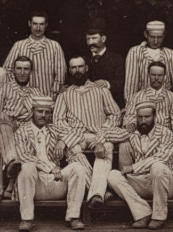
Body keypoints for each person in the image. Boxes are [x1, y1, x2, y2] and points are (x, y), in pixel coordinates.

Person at [52, 55, 126, 211]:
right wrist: (68, 138)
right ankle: (100, 193)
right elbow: (58, 121)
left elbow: (115, 114)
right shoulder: (64, 94)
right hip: (75, 135)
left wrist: (101, 137)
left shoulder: (101, 90)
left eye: (80, 67)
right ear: (69, 70)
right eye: (73, 68)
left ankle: (96, 193)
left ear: (86, 68)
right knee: (72, 150)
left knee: (106, 147)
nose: (77, 71)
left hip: (98, 134)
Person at [14, 96, 90, 232]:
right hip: (34, 185)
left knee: (78, 168)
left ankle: (73, 217)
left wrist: (63, 142)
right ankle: (26, 218)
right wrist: (50, 167)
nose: (43, 115)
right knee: (26, 167)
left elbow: (78, 132)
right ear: (32, 111)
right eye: (40, 111)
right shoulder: (22, 131)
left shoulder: (53, 130)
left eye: (47, 112)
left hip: (56, 182)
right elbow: (24, 156)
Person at [121, 61, 173, 199]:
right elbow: (130, 115)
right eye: (153, 75)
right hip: (144, 133)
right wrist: (130, 123)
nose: (156, 78)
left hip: (165, 136)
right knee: (124, 142)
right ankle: (126, 180)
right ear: (148, 75)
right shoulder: (137, 96)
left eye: (159, 75)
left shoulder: (171, 96)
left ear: (165, 76)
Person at [0, 56, 44, 201]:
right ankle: (11, 163)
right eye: (19, 68)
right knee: (2, 121)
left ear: (31, 72)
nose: (22, 72)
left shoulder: (36, 93)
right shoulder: (3, 88)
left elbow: (42, 117)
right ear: (13, 71)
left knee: (0, 141)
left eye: (26, 69)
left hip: (25, 132)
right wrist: (16, 116)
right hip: (4, 127)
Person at [107, 102, 173, 230]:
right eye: (140, 117)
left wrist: (133, 168)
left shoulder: (166, 133)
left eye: (147, 117)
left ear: (154, 117)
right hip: (141, 182)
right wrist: (100, 142)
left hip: (163, 183)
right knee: (112, 175)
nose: (143, 121)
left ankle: (159, 216)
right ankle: (143, 213)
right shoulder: (133, 134)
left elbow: (161, 157)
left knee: (157, 167)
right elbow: (107, 134)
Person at [3, 10, 67, 98]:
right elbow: (7, 70)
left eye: (41, 24)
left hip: (48, 97)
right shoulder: (19, 45)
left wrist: (54, 93)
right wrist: (17, 90)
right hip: (22, 98)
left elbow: (61, 72)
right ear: (29, 24)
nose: (38, 28)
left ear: (46, 25)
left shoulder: (55, 46)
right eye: (35, 24)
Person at [124, 20, 173, 103]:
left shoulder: (171, 54)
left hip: (166, 103)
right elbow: (131, 83)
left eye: (159, 37)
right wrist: (131, 105)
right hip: (142, 103)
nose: (156, 41)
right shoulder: (135, 52)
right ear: (146, 34)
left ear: (164, 36)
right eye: (152, 37)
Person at [85, 18, 126, 108]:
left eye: (94, 38)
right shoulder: (84, 59)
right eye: (88, 39)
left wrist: (107, 84)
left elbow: (121, 82)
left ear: (103, 38)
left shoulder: (116, 59)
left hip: (112, 104)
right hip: (90, 105)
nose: (90, 42)